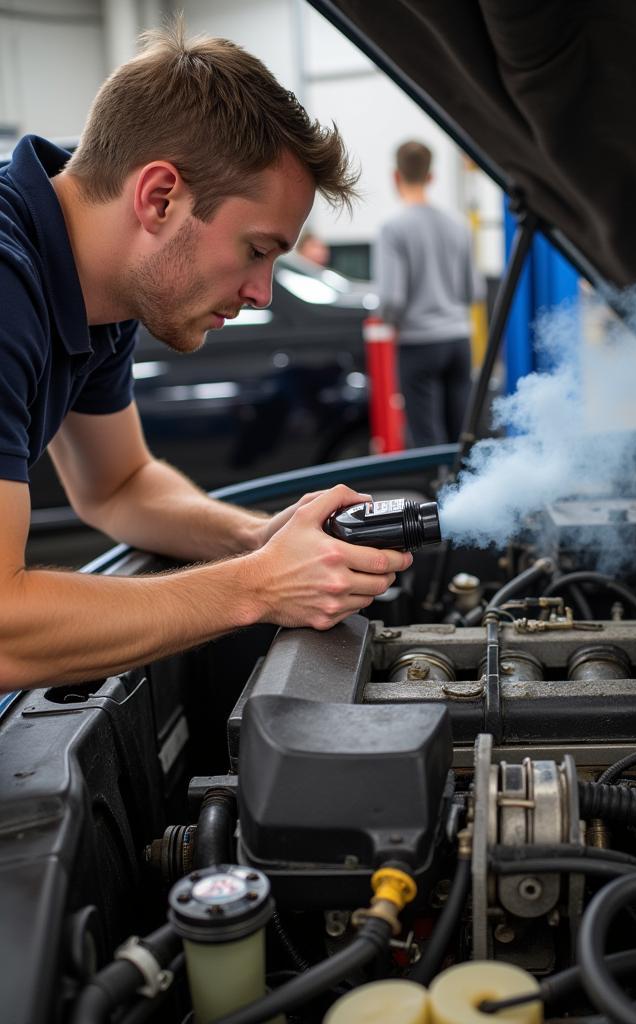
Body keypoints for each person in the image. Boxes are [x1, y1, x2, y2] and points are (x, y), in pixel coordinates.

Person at [0, 22, 411, 691]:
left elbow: (119, 485)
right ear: (160, 198)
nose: (260, 292)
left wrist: (257, 540)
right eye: (257, 249)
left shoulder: (96, 286)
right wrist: (258, 587)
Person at [377, 141, 483, 448]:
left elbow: (391, 299)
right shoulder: (459, 227)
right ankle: (465, 494)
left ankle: (437, 494)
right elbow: (472, 290)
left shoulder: (393, 229)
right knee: (459, 438)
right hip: (458, 341)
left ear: (396, 176)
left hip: (418, 343)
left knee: (427, 440)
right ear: (431, 177)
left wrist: (390, 321)